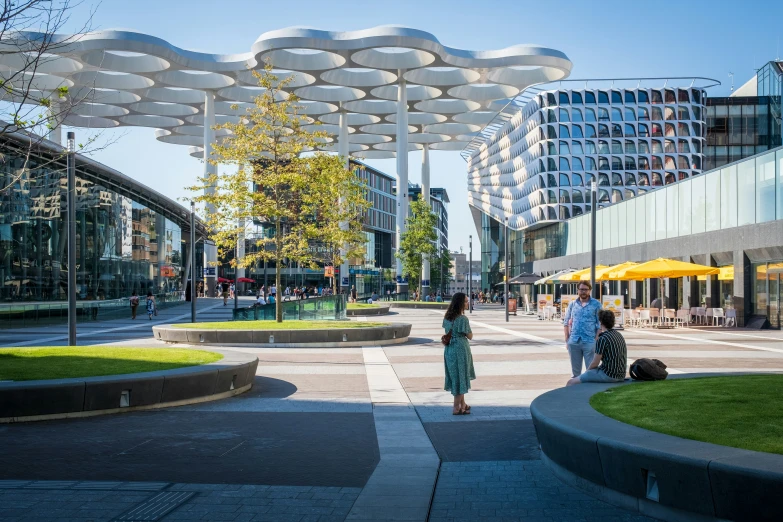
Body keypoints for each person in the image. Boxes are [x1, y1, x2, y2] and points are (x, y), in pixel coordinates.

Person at [568, 309, 627, 385]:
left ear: (600, 322)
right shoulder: (618, 335)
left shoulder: (602, 339)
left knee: (571, 382)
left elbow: (595, 363)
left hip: (609, 375)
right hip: (621, 374)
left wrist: (586, 373)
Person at [442, 292, 475, 415]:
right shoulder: (462, 319)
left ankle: (463, 405)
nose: (468, 303)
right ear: (460, 303)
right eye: (466, 301)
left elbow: (446, 329)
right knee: (461, 377)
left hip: (449, 349)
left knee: (455, 376)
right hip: (461, 349)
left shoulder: (447, 317)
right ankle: (456, 408)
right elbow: (470, 336)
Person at [563, 280, 602, 378]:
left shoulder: (596, 304)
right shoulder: (572, 304)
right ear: (578, 290)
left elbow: (600, 323)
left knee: (591, 370)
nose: (583, 292)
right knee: (575, 372)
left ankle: (590, 390)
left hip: (589, 340)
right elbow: (566, 322)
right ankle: (576, 390)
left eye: (585, 290)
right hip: (574, 340)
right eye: (581, 289)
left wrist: (596, 339)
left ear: (589, 291)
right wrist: (567, 340)